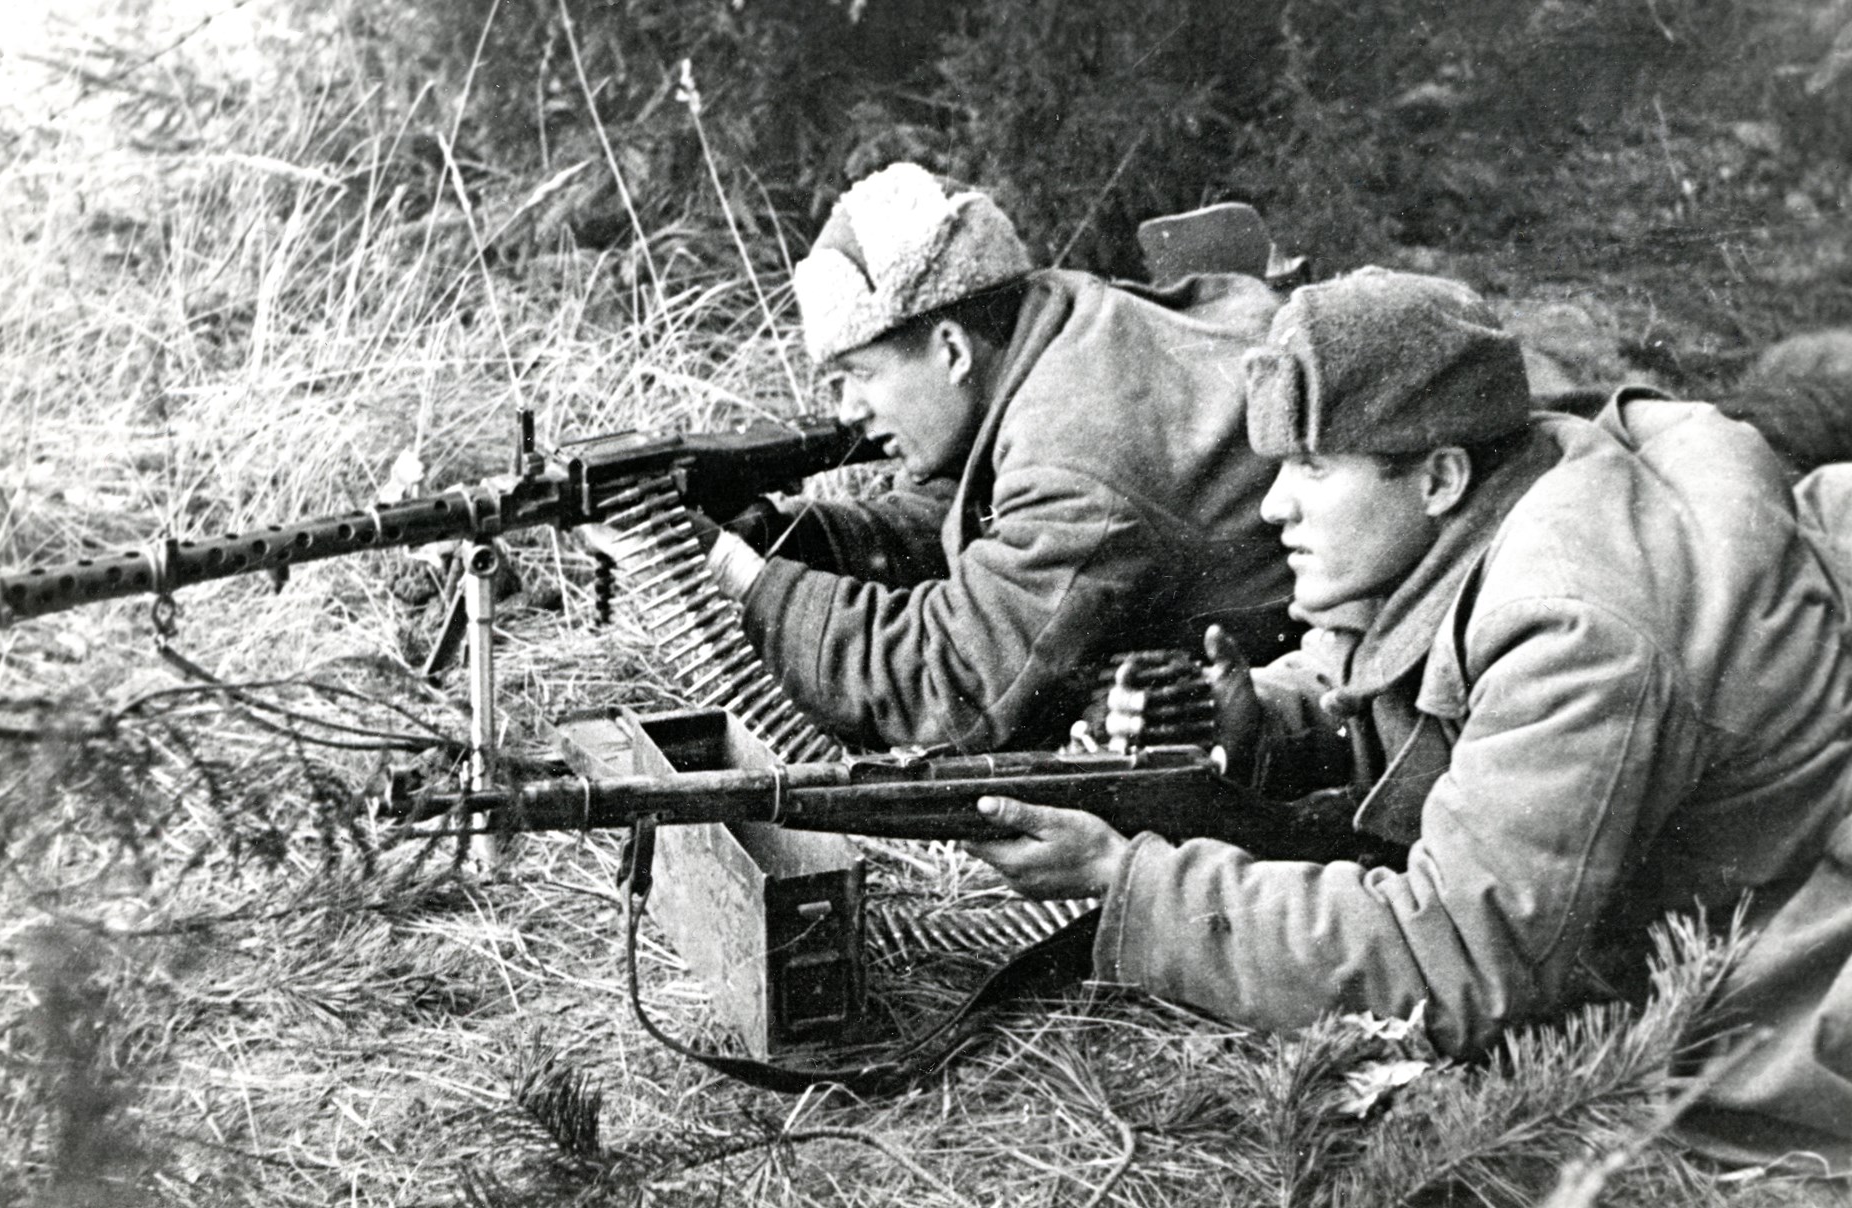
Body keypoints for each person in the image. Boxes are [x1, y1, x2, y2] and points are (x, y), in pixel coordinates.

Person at [963, 266, 1852, 1170]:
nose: (1274, 504)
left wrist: (1131, 883)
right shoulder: (1502, 490)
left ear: (1438, 477)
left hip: (1802, 944)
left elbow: (1458, 964)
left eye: (1310, 467)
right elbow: (1410, 657)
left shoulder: (1579, 626)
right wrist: (1261, 722)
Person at [700, 162, 1297, 752]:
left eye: (861, 374)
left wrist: (743, 578)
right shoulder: (1057, 323)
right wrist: (784, 537)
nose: (848, 410)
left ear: (953, 350)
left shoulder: (1074, 459)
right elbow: (977, 521)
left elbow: (948, 684)